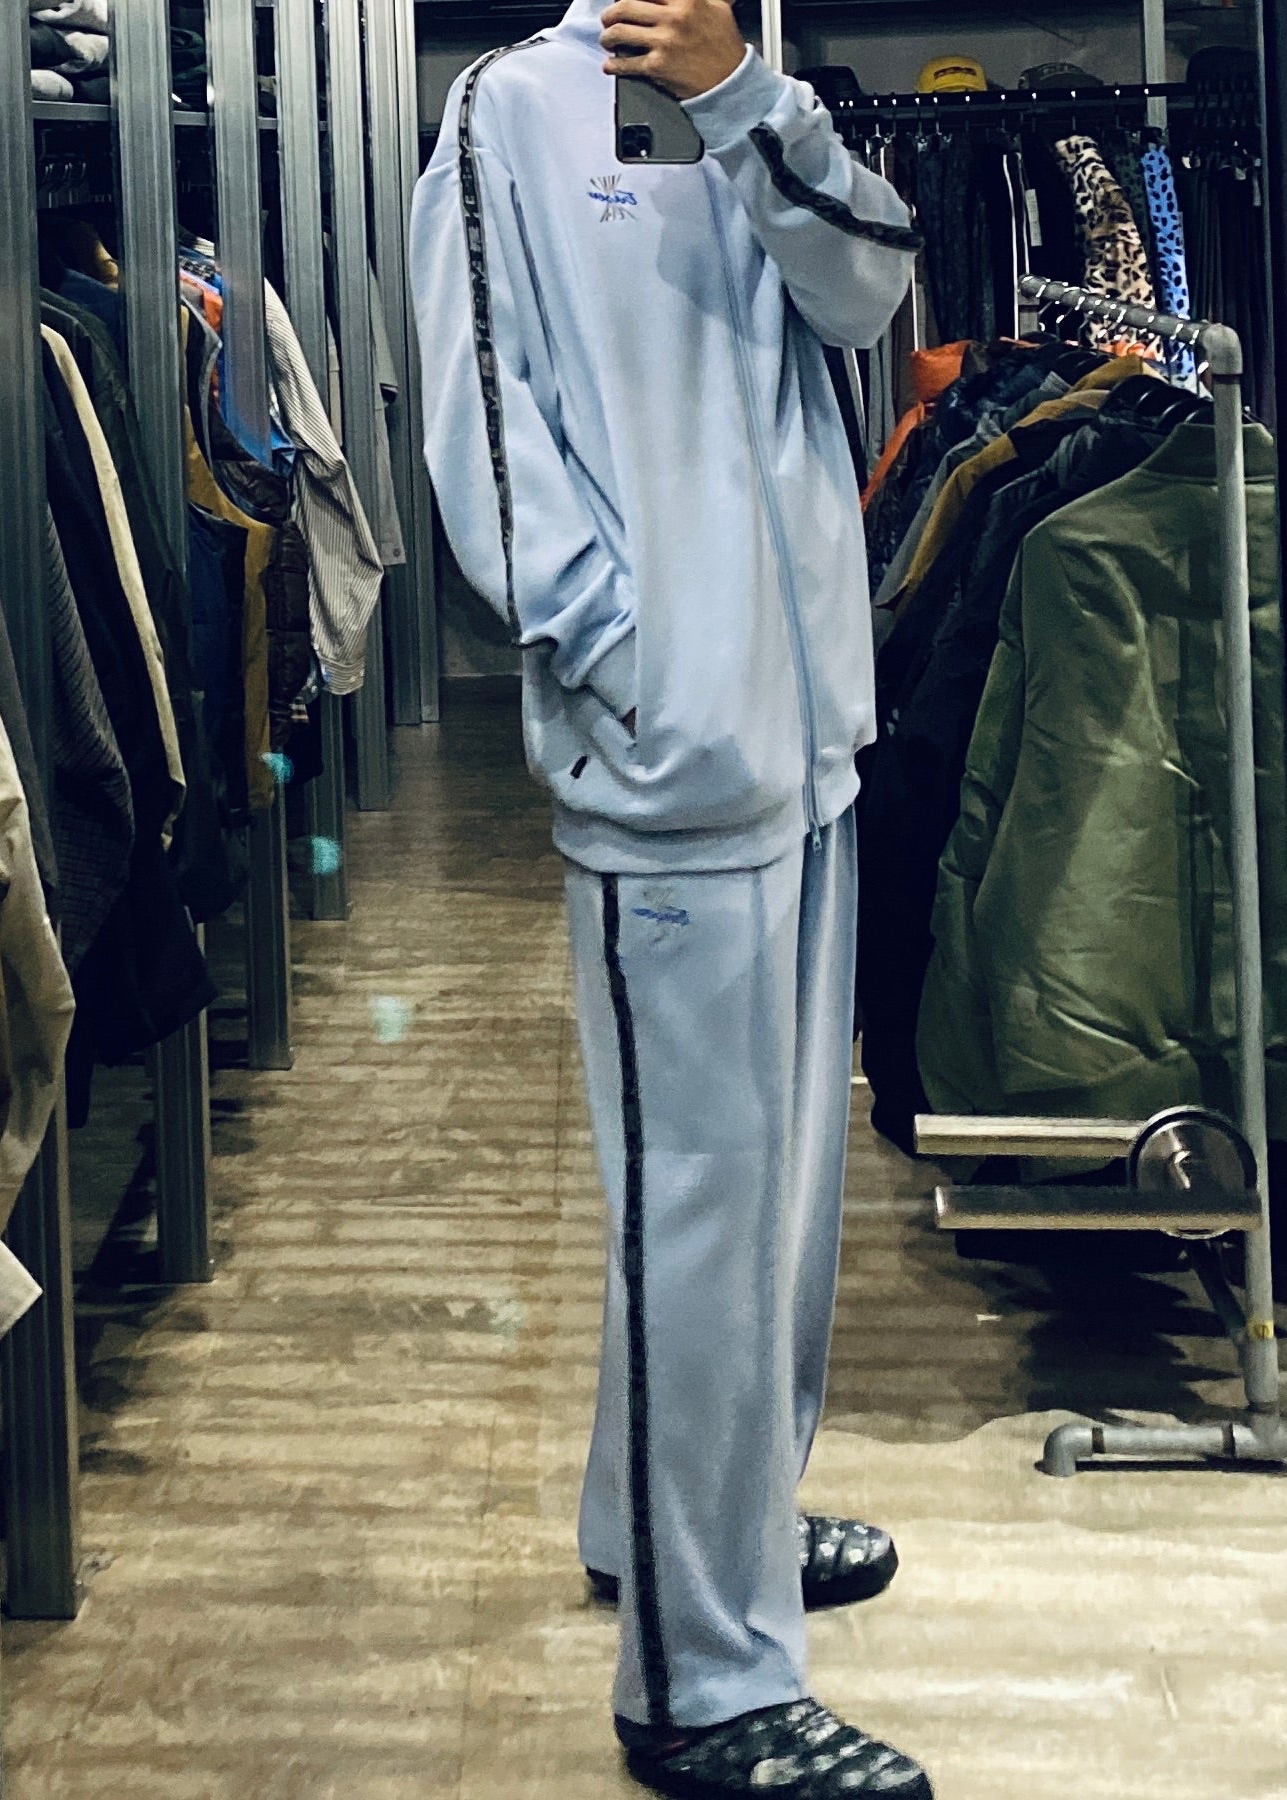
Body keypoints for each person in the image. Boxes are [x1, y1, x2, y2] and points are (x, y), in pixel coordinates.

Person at [410, 3, 932, 1796]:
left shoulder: (761, 90)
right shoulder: (509, 111)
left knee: (775, 1210)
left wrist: (741, 102)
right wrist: (632, 664)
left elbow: (868, 296)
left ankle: (701, 1523)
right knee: (695, 1207)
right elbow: (487, 439)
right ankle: (704, 1683)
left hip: (814, 742)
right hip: (672, 758)